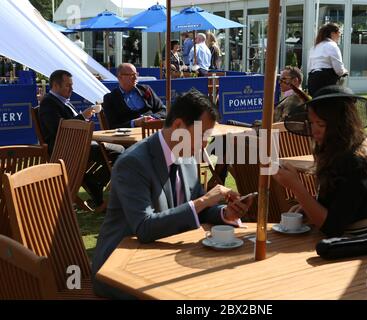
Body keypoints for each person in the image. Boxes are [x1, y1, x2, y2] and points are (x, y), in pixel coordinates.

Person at [92, 89, 254, 299]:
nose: (205, 144)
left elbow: (199, 210)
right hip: (119, 270)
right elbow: (144, 227)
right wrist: (204, 200)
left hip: (160, 260)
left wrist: (225, 213)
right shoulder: (133, 164)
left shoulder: (186, 156)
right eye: (202, 135)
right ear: (178, 126)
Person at [275, 85, 367, 246]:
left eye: (321, 124)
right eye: (311, 123)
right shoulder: (345, 147)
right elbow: (342, 200)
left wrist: (297, 188)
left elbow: (332, 227)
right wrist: (308, 206)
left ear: (341, 124)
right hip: (343, 242)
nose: (314, 131)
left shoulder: (355, 161)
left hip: (359, 248)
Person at [39, 70, 121, 208]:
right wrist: (83, 117)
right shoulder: (49, 103)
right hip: (64, 148)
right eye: (68, 85)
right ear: (55, 85)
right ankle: (94, 183)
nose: (72, 89)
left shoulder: (61, 101)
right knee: (118, 153)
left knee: (119, 150)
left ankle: (93, 182)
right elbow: (59, 128)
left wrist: (84, 117)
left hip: (75, 145)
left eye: (72, 85)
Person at [102, 63, 166, 129]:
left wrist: (152, 118)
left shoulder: (145, 89)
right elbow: (113, 126)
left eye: (136, 74)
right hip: (129, 135)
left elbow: (163, 110)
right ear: (120, 77)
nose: (135, 78)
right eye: (132, 75)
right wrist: (134, 123)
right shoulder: (110, 98)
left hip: (152, 130)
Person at [307, 23, 348, 97]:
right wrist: (345, 71)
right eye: (339, 33)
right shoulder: (332, 45)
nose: (339, 35)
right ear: (332, 34)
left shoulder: (314, 47)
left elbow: (309, 67)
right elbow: (339, 70)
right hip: (326, 81)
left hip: (312, 81)